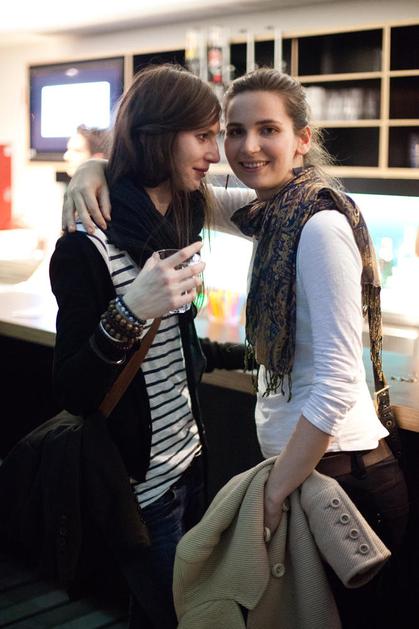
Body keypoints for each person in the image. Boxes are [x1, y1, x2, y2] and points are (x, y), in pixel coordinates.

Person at [61, 68, 409, 628]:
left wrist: (271, 493)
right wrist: (94, 166)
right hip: (303, 472)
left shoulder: (316, 224)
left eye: (267, 129)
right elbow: (183, 190)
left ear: (301, 138)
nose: (245, 147)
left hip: (341, 479)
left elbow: (336, 384)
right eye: (231, 131)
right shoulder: (271, 213)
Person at [50, 64, 245, 629]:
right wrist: (131, 308)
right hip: (138, 487)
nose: (215, 153)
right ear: (157, 135)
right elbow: (73, 390)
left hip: (191, 461)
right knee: (181, 616)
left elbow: (174, 348)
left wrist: (251, 356)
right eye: (203, 136)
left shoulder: (184, 213)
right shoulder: (87, 245)